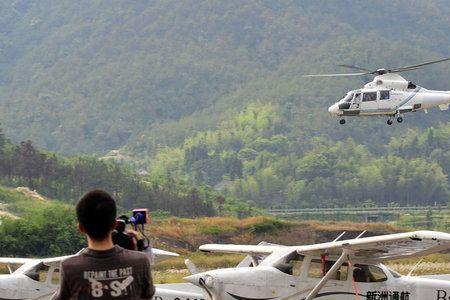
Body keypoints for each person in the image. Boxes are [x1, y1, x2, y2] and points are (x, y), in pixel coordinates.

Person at [52, 189, 155, 300]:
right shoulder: (140, 261)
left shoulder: (69, 267)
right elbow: (147, 296)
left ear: (80, 228)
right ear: (114, 224)